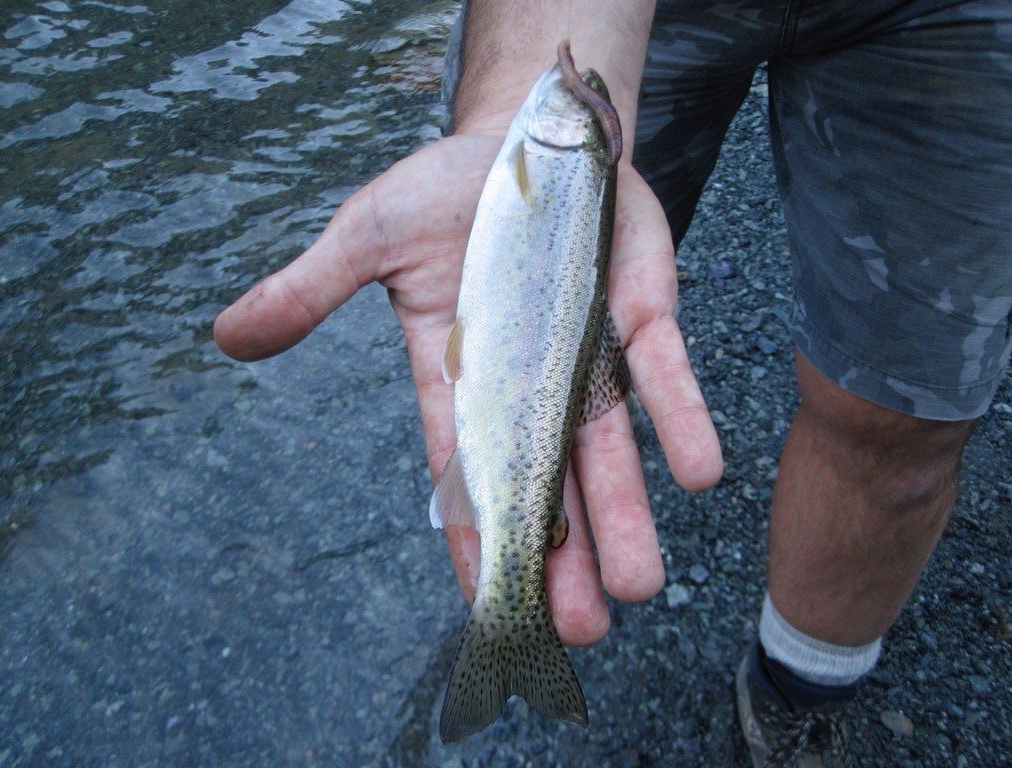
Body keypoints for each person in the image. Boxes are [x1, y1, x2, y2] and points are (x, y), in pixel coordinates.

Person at [214, 2, 1012, 765]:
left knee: (905, 420)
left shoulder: (541, 158)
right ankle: (516, 613)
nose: (572, 86)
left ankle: (800, 685)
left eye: (586, 104)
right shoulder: (542, 143)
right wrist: (513, 88)